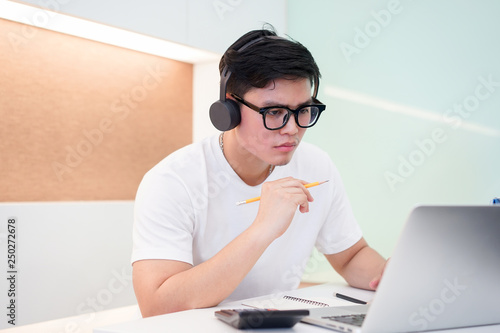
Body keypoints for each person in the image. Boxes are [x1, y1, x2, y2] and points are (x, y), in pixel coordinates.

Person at [131, 27, 386, 318]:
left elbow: (351, 256)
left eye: (304, 110)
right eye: (274, 112)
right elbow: (157, 306)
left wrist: (390, 275)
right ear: (229, 107)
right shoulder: (172, 181)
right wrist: (263, 229)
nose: (293, 128)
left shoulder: (317, 165)